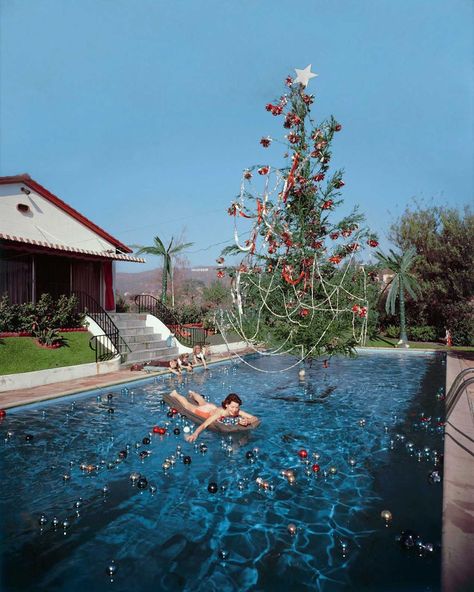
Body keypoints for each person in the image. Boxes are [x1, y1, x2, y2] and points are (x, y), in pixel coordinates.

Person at [169, 390, 258, 442]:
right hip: (205, 412)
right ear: (227, 405)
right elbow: (205, 424)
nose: (235, 410)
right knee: (187, 405)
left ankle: (193, 394)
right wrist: (195, 434)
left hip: (212, 407)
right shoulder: (220, 413)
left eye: (237, 407)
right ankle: (175, 393)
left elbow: (255, 418)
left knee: (202, 402)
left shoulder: (236, 411)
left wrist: (248, 421)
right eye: (232, 407)